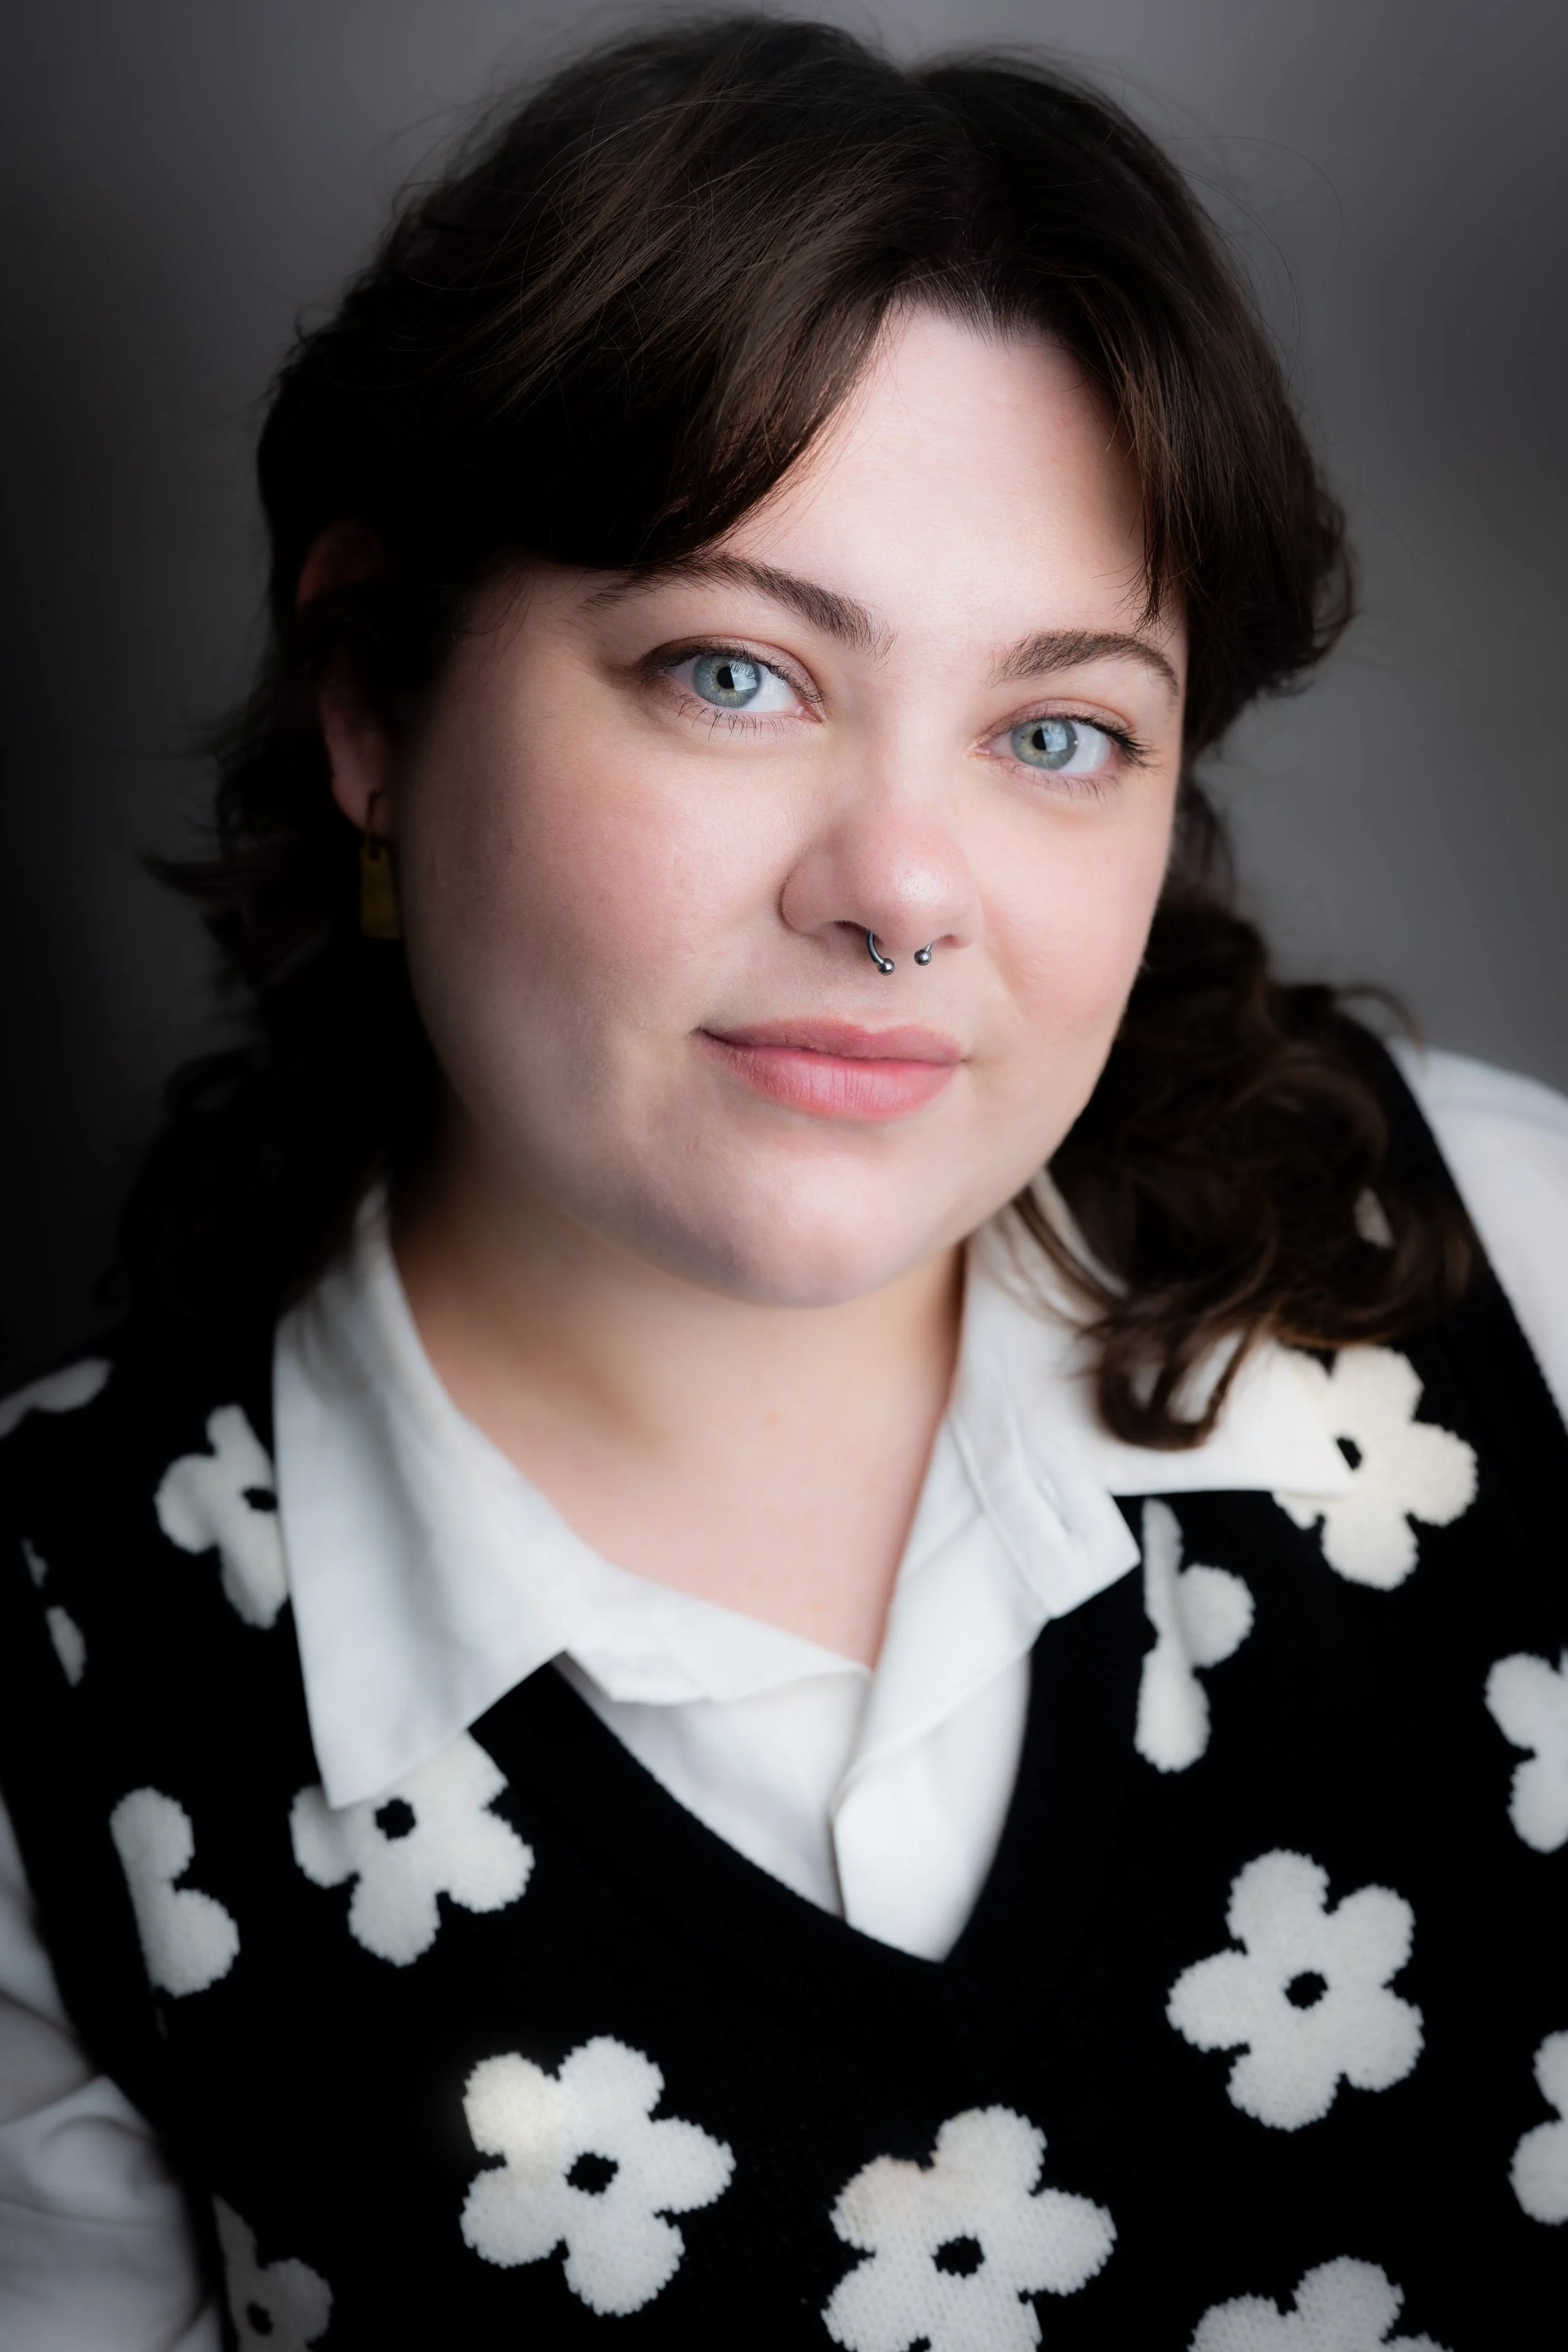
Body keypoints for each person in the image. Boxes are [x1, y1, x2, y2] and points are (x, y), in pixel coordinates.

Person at [1, 15, 1565, 2346]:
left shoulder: (1509, 1277)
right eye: (736, 674)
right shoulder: (69, 1661)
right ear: (366, 693)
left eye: (1058, 732)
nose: (903, 889)